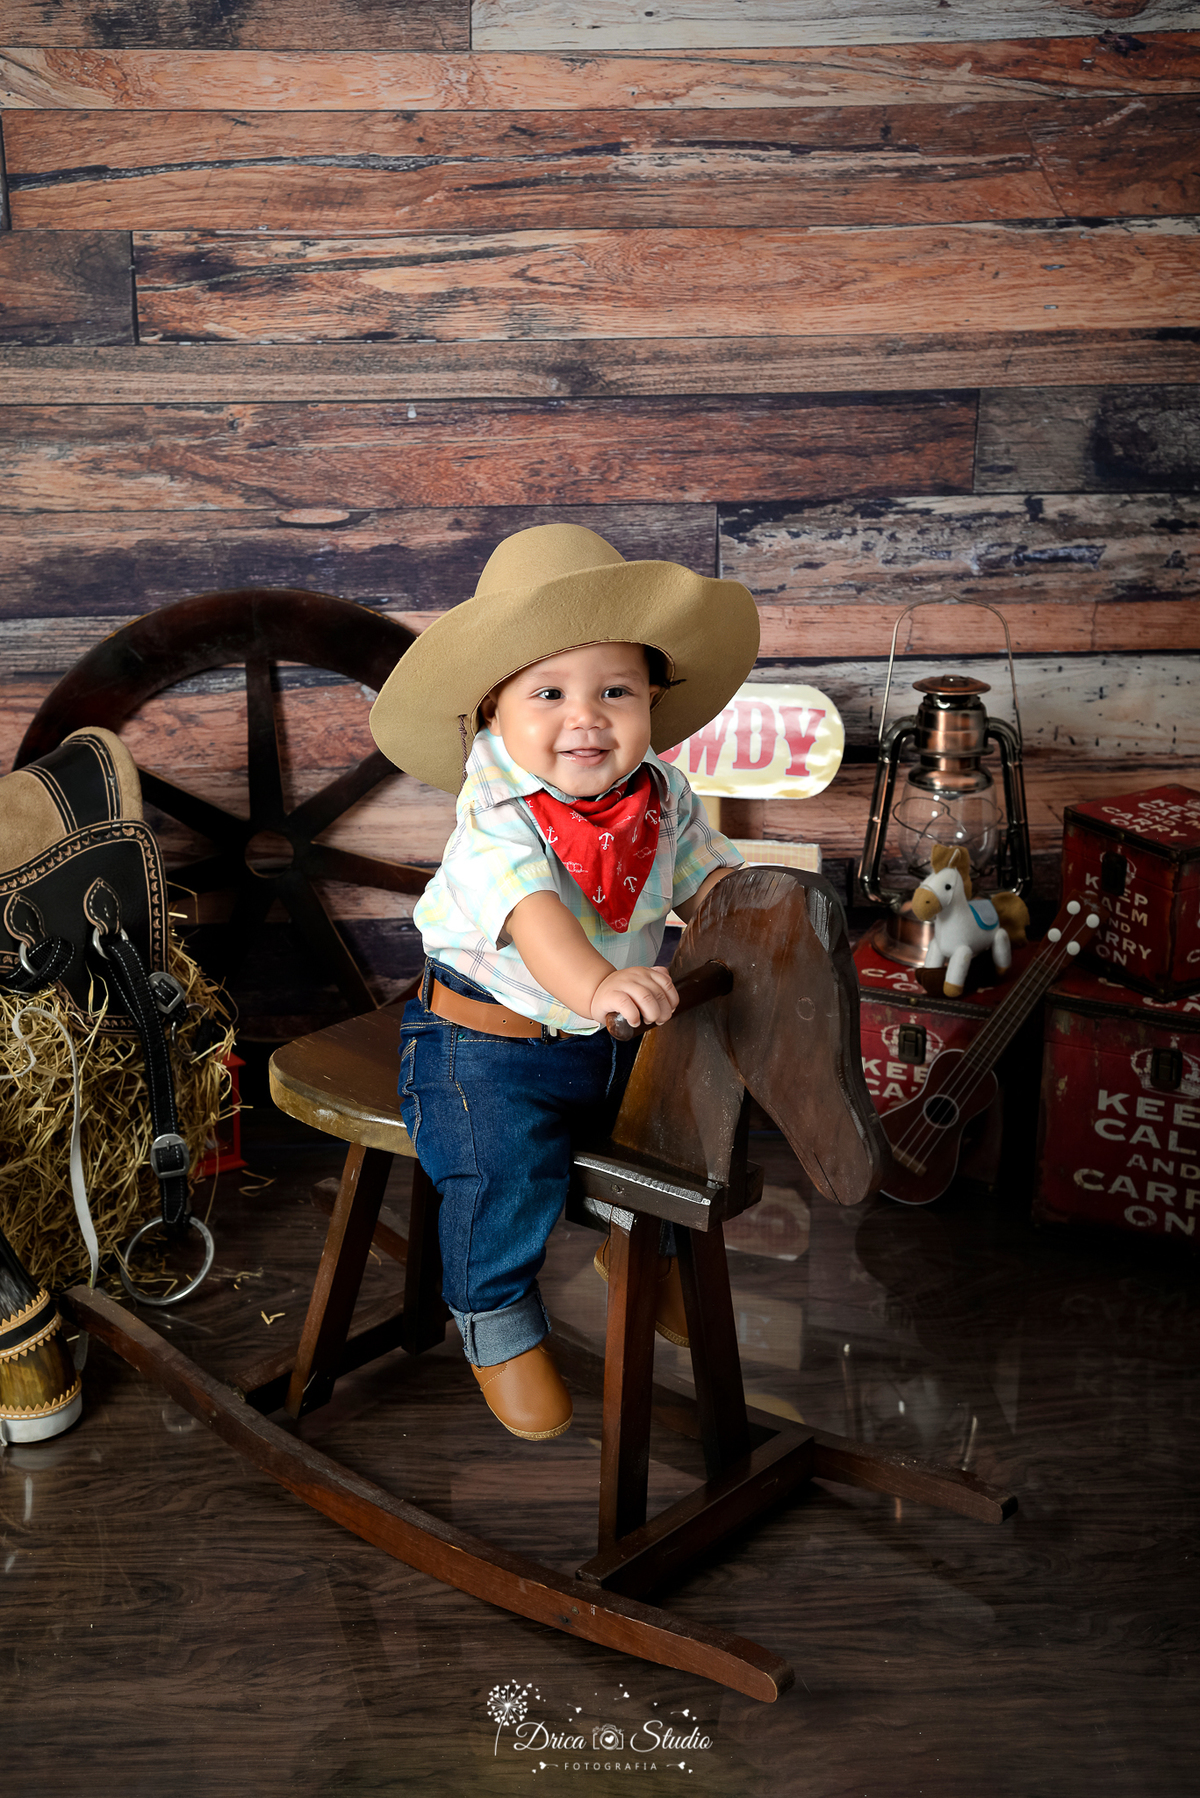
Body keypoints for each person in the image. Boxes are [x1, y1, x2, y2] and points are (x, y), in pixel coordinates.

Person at [369, 523, 759, 1440]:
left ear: (654, 699)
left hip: (610, 1035)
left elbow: (712, 878)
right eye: (549, 693)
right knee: (504, 1172)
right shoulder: (494, 816)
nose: (586, 718)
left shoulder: (661, 793)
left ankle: (644, 1265)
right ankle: (495, 1324)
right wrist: (594, 988)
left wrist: (755, 910)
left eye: (615, 691)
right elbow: (535, 918)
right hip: (485, 1044)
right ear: (492, 713)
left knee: (679, 1132)